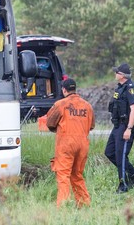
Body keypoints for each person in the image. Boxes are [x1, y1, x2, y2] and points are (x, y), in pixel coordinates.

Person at [46, 78, 95, 208]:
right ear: (75, 89)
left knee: (63, 176)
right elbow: (91, 126)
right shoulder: (87, 106)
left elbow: (50, 123)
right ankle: (84, 204)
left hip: (66, 145)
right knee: (77, 175)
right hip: (83, 145)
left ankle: (63, 206)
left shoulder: (60, 104)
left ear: (64, 90)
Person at [105, 63, 134, 193]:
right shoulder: (120, 88)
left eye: (117, 72)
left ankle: (123, 186)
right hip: (117, 126)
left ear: (122, 75)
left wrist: (129, 129)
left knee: (120, 155)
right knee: (109, 152)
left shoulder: (131, 89)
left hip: (126, 126)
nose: (115, 74)